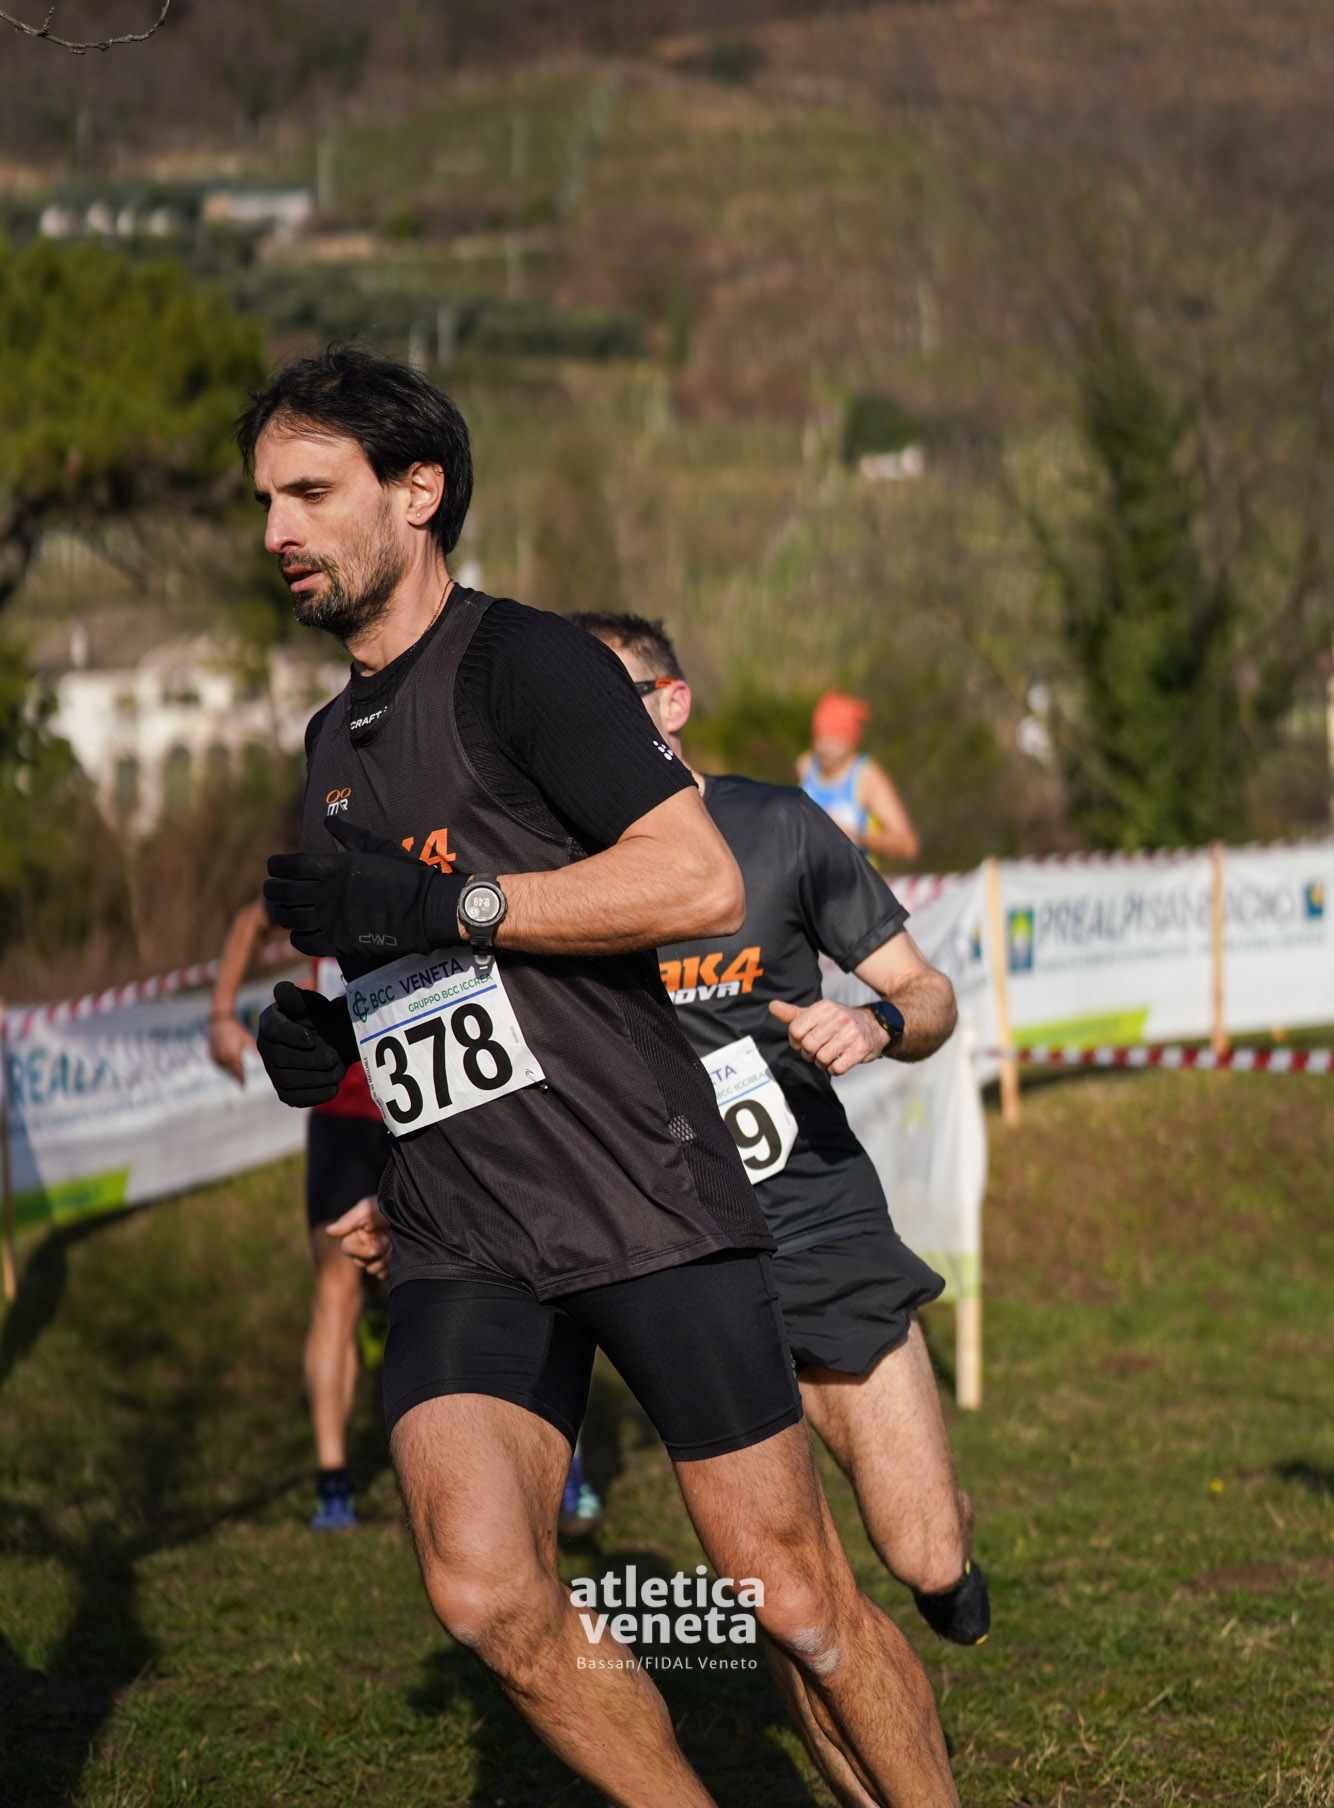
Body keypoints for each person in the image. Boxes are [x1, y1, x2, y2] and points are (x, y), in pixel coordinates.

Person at [239, 345, 961, 1808]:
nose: (275, 533)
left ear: (418, 491)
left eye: (309, 493)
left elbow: (693, 879)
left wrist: (449, 905)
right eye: (263, 501)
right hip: (461, 1228)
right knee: (481, 1589)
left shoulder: (525, 664)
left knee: (793, 1597)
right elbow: (407, 969)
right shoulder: (328, 744)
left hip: (638, 1192)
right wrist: (329, 1039)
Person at [573, 616, 988, 1752]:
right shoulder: (557, 874)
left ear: (672, 703)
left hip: (819, 1225)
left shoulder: (777, 826)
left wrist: (875, 1020)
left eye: (612, 699)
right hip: (686, 1261)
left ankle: (950, 1542)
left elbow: (929, 993)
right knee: (794, 1603)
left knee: (921, 1554)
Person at [209, 899, 392, 1531]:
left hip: (423, 1106)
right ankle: (332, 1481)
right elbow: (250, 920)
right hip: (344, 1116)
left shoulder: (432, 846)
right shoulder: (322, 863)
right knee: (336, 1292)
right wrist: (220, 1017)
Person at [798, 691, 920, 864]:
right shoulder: (807, 766)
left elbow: (908, 845)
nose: (824, 747)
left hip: (857, 877)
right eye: (819, 737)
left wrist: (855, 837)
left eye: (833, 740)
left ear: (850, 739)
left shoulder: (867, 776)